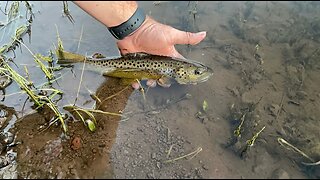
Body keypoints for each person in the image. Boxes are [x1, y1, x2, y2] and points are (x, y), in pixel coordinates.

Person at [73, 1, 206, 89]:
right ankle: (75, 64)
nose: (198, 73)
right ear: (180, 71)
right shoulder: (172, 69)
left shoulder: (174, 67)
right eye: (197, 72)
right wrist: (138, 29)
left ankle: (74, 63)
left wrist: (138, 29)